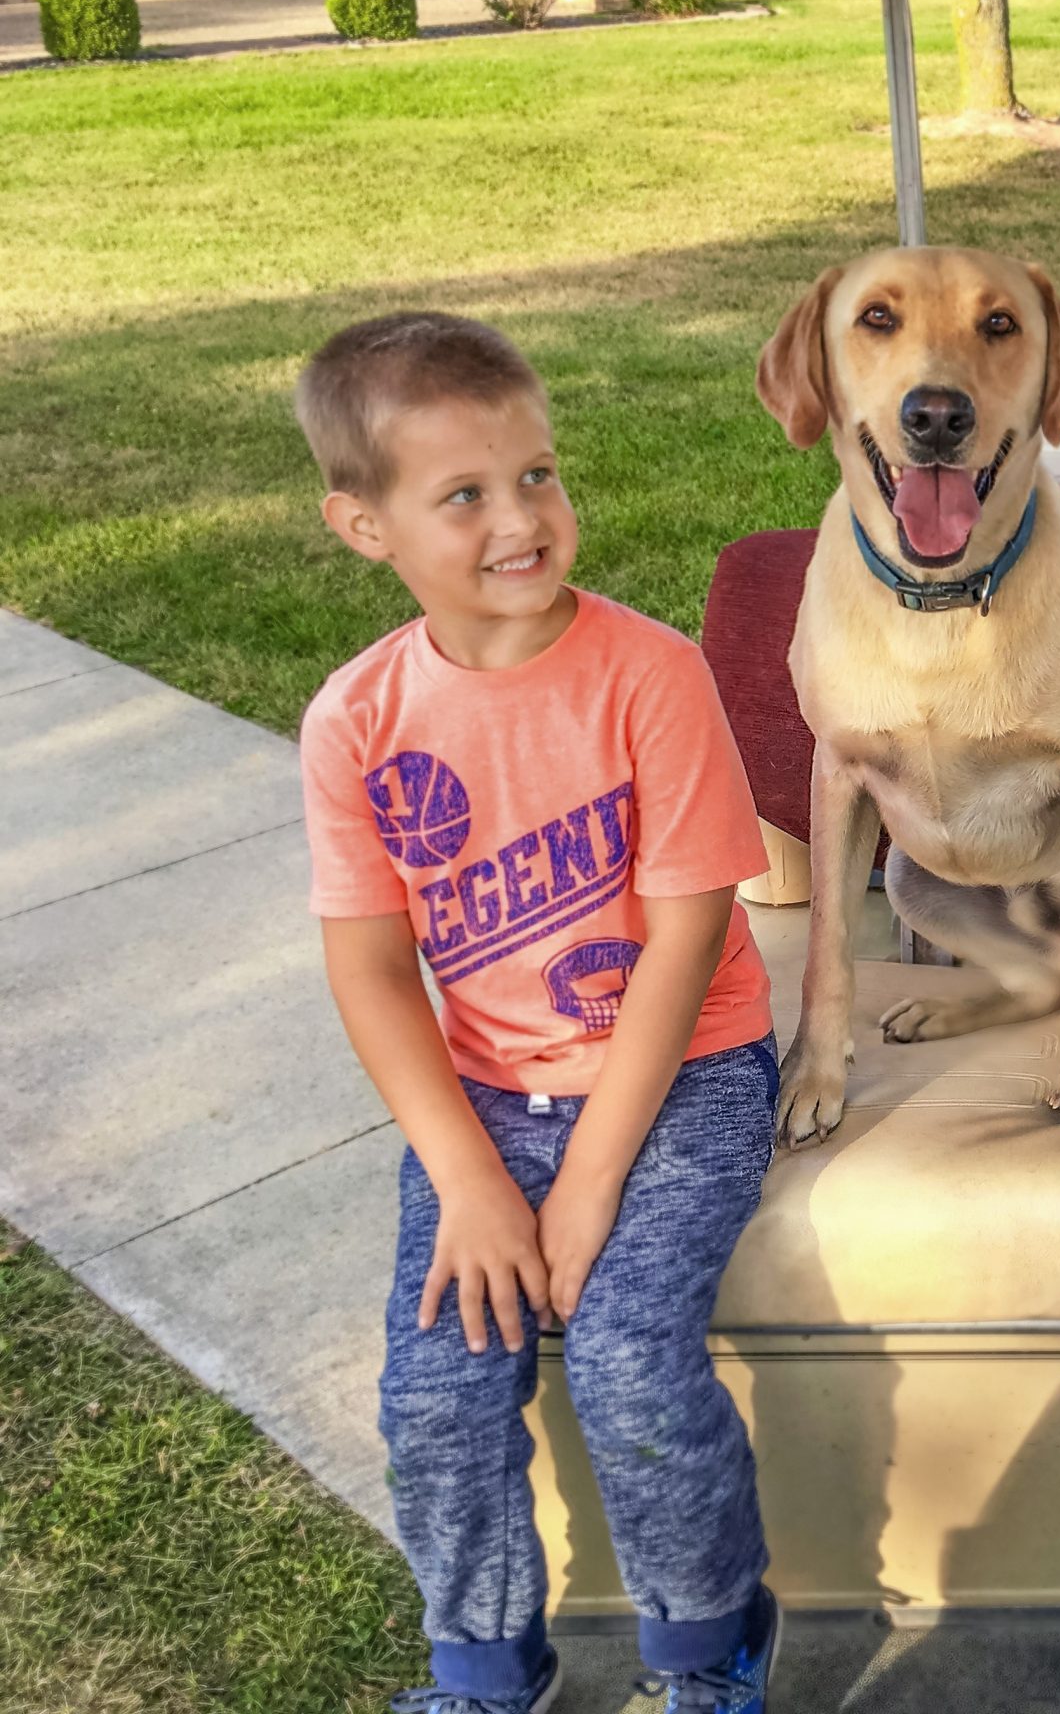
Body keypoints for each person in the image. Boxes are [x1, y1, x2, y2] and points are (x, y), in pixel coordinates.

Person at [293, 313, 785, 1714]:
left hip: (684, 1074)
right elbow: (375, 967)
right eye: (465, 495)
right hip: (491, 1100)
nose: (523, 519)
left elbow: (690, 934)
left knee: (629, 1363)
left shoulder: (649, 674)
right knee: (439, 1395)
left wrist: (585, 1191)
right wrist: (469, 1179)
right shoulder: (356, 720)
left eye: (539, 476)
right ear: (363, 524)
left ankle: (711, 1645)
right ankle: (484, 1671)